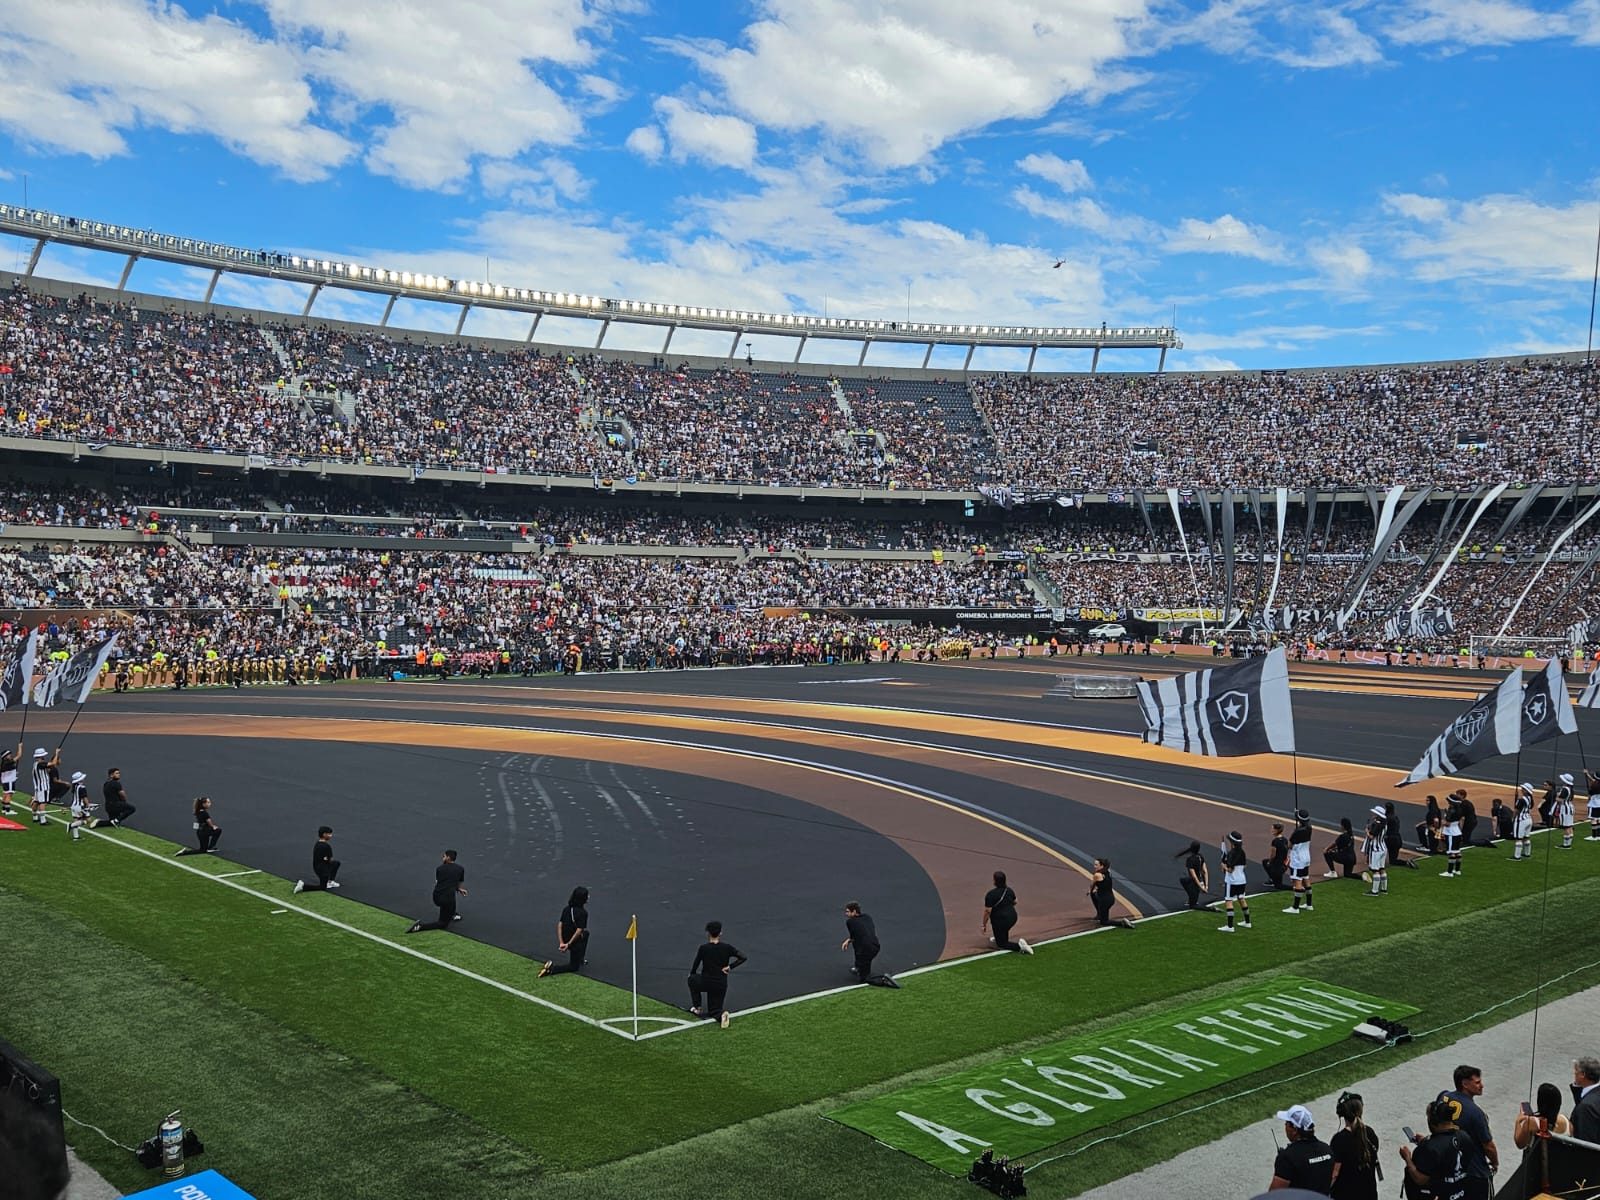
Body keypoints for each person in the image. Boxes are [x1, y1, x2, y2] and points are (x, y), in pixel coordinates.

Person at [1437, 1064, 1498, 1199]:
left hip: (1451, 1169)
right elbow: (1488, 1146)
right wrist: (1495, 1163)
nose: (1482, 1086)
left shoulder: (1444, 1097)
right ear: (1465, 1084)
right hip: (1475, 1172)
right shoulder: (1476, 1113)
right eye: (1477, 1082)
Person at [1399, 1097, 1471, 1200]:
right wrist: (1428, 1141)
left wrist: (1407, 1158)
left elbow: (1420, 1179)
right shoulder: (1464, 1137)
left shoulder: (1431, 1148)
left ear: (1433, 1120)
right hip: (1460, 1194)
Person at [686, 920, 747, 1028]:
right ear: (720, 933)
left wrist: (692, 974)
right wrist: (730, 967)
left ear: (708, 933)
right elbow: (743, 957)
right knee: (714, 1010)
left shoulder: (704, 948)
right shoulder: (727, 947)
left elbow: (696, 964)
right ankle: (722, 1014)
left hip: (706, 982)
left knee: (692, 980)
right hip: (720, 984)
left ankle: (697, 1008)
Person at [1268, 1103, 1334, 1193]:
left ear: (1295, 1130)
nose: (1285, 1126)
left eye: (1286, 1123)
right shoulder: (1327, 1150)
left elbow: (1274, 1195)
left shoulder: (1287, 1157)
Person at [1328, 1091, 1379, 1200]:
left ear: (1341, 1113)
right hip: (1369, 1194)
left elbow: (1334, 1174)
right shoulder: (1370, 1133)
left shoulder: (1339, 1140)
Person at [405, 850, 467, 933]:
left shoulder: (440, 869)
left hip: (436, 897)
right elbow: (457, 882)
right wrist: (459, 889)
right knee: (442, 924)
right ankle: (420, 927)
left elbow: (439, 882)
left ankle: (452, 913)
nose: (443, 858)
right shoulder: (460, 869)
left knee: (449, 898)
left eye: (444, 856)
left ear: (448, 857)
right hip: (447, 899)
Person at [538, 886, 590, 976]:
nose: (588, 897)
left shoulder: (567, 909)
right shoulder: (583, 913)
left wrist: (562, 942)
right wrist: (568, 944)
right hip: (573, 941)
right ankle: (552, 970)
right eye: (587, 896)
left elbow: (560, 925)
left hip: (565, 937)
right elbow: (579, 930)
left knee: (586, 934)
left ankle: (580, 958)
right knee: (573, 967)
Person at [982, 870, 1032, 953]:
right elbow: (1015, 901)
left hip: (1000, 921)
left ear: (995, 881)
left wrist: (983, 925)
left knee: (1002, 944)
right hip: (1012, 918)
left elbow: (987, 911)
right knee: (1003, 929)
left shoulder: (991, 894)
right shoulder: (1009, 890)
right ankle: (999, 936)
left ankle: (1020, 947)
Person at [1511, 1082, 1570, 1149]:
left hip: (1537, 1159)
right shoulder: (1568, 1123)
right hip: (1559, 1159)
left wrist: (1518, 1122)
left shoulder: (1531, 1123)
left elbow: (1520, 1144)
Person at [1218, 831, 1252, 933]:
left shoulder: (1231, 853)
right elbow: (1244, 865)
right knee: (1241, 899)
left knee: (1229, 901)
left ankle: (1230, 926)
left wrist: (1223, 866)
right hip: (1242, 880)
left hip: (1232, 881)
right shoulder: (1242, 852)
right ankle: (1247, 922)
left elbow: (1230, 869)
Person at [293, 826, 341, 893]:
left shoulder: (317, 844)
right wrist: (327, 861)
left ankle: (330, 882)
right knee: (322, 887)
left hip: (317, 867)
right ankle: (303, 887)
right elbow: (330, 859)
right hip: (323, 870)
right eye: (329, 834)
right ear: (324, 834)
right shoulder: (327, 846)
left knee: (336, 863)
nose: (331, 836)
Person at [1089, 858, 1134, 928]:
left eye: (1096, 865)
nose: (1094, 866)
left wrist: (1091, 891)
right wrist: (1095, 890)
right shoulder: (1108, 872)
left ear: (1102, 866)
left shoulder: (1097, 875)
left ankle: (1122, 923)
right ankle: (1099, 915)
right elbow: (1105, 884)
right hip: (1110, 898)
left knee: (1104, 922)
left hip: (1104, 900)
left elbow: (1092, 885)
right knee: (1094, 894)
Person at [1285, 809, 1315, 913]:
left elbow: (1289, 845)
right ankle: (1309, 904)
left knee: (1298, 880)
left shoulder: (1297, 831)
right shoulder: (1309, 828)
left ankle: (1295, 907)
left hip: (1298, 859)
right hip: (1306, 856)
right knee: (1306, 879)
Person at [841, 901, 880, 980]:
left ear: (854, 911)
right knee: (860, 946)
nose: (846, 914)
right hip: (876, 946)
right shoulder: (867, 917)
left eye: (848, 912)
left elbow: (853, 936)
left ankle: (861, 969)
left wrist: (848, 941)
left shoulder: (850, 922)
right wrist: (848, 940)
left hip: (866, 950)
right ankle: (860, 967)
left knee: (864, 978)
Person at [1570, 1056, 1600, 1142]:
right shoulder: (1595, 1094)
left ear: (1583, 1075)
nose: (1574, 1074)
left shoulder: (1586, 1107)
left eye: (1576, 1071)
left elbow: (1585, 1141)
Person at [1361, 806, 1389, 898]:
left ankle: (1374, 891)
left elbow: (1372, 837)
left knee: (1375, 870)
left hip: (1376, 850)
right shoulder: (1384, 824)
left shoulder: (1378, 824)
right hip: (1383, 848)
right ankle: (1384, 889)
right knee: (1382, 868)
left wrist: (1367, 832)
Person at [1178, 840, 1210, 910]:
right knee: (1183, 880)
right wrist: (1206, 886)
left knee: (1193, 905)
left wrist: (1201, 888)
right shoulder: (1201, 857)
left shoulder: (1190, 860)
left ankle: (1212, 909)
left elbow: (1194, 876)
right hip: (1200, 882)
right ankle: (1192, 896)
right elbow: (1205, 871)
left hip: (1195, 883)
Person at [1440, 792, 1464, 878]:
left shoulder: (1451, 811)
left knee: (1451, 853)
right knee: (1457, 851)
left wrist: (1442, 823)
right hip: (1457, 831)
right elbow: (1461, 819)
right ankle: (1457, 870)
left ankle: (1449, 872)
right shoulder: (1460, 809)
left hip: (1450, 833)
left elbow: (1448, 824)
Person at [65, 772, 94, 842]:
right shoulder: (82, 787)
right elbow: (84, 798)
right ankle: (71, 825)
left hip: (74, 806)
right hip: (80, 807)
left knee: (76, 820)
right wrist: (88, 805)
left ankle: (76, 837)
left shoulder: (74, 786)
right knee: (88, 820)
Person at [1510, 783, 1534, 861]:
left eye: (1523, 789)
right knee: (1526, 837)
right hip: (1528, 819)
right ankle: (1527, 854)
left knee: (1519, 838)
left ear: (1526, 791)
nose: (1521, 790)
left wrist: (1513, 818)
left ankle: (1517, 856)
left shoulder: (1521, 800)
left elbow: (1516, 810)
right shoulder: (1530, 799)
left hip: (1521, 820)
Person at [1262, 822, 1289, 889]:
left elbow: (1273, 855)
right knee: (1265, 861)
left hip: (1277, 867)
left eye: (1273, 829)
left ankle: (1295, 888)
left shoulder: (1275, 841)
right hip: (1283, 864)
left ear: (1276, 830)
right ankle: (1273, 878)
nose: (1271, 830)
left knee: (1279, 886)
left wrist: (1270, 862)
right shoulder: (1285, 839)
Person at [1554, 773, 1576, 849]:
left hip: (1565, 809)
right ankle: (1568, 843)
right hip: (1570, 807)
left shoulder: (1565, 789)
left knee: (1566, 826)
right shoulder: (1571, 789)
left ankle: (1566, 845)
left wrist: (1556, 797)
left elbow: (1560, 799)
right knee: (1569, 826)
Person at [0, 741, 18, 816]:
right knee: (9, 794)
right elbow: (19, 756)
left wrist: (14, 773)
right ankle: (7, 811)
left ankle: (4, 809)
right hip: (9, 781)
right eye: (9, 755)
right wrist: (20, 747)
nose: (10, 755)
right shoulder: (7, 762)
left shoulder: (4, 763)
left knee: (5, 794)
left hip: (5, 781)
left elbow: (10, 770)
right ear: (5, 756)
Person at [1586, 769, 1600, 841]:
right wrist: (1587, 774)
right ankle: (1598, 835)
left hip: (1594, 804)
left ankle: (1594, 836)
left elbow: (1590, 795)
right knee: (1598, 819)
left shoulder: (1594, 786)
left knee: (1593, 819)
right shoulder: (1596, 784)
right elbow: (1594, 780)